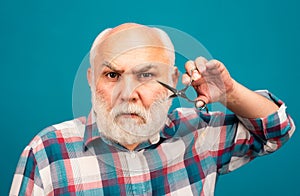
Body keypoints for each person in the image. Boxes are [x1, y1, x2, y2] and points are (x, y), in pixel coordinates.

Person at [10, 23, 295, 195]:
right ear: (90, 79)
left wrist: (229, 93)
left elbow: (276, 129)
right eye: (112, 76)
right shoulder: (47, 152)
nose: (128, 94)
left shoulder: (198, 133)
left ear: (172, 81)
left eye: (145, 75)